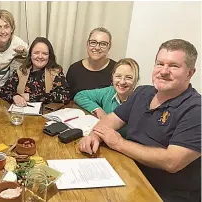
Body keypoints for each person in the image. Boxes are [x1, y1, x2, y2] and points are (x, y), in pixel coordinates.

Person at [78, 39, 200, 202]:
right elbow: (110, 121)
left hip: (163, 193)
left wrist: (119, 143)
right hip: (129, 173)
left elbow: (172, 162)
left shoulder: (196, 110)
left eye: (173, 66)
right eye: (159, 63)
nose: (163, 71)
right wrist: (94, 135)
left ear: (190, 73)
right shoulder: (142, 92)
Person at [74, 58, 140, 137]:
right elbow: (80, 96)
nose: (122, 82)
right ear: (112, 77)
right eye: (118, 76)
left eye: (128, 77)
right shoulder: (109, 91)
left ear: (136, 80)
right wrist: (98, 110)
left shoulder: (140, 100)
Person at [0, 37, 70, 106]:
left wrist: (32, 97)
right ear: (30, 54)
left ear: (49, 56)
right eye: (36, 53)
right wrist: (15, 97)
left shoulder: (56, 72)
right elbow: (2, 91)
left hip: (48, 115)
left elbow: (65, 96)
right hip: (22, 114)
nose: (40, 56)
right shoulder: (22, 71)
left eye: (45, 53)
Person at [66, 27, 116, 98]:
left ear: (109, 47)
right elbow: (68, 98)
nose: (97, 47)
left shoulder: (117, 69)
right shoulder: (74, 69)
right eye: (93, 42)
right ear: (87, 44)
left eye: (103, 44)